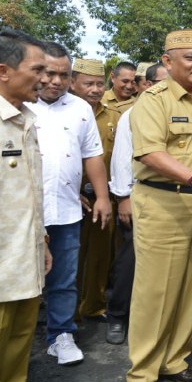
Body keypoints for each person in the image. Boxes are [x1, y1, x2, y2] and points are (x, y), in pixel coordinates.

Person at [125, 30, 192, 382]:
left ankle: (175, 360)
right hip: (164, 205)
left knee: (191, 287)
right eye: (189, 57)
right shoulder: (153, 100)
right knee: (155, 292)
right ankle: (141, 373)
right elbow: (151, 153)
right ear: (167, 62)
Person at [27, 42, 111, 366]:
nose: (56, 81)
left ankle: (61, 334)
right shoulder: (17, 103)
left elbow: (92, 154)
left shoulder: (80, 108)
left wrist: (102, 196)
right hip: (23, 211)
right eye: (49, 73)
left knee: (63, 277)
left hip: (64, 209)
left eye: (63, 75)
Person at [0, 30, 51, 382]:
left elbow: (29, 193)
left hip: (25, 262)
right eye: (37, 70)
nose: (46, 79)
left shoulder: (26, 120)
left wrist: (41, 241)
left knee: (14, 355)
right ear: (3, 71)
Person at [106, 62, 168, 345]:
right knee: (131, 260)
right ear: (148, 84)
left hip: (172, 201)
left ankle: (154, 321)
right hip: (138, 197)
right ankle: (117, 316)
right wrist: (123, 198)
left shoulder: (181, 112)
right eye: (162, 82)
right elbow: (121, 158)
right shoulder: (133, 114)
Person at [70, 59, 121, 320]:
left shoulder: (114, 116)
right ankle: (68, 310)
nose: (95, 89)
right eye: (88, 83)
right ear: (73, 84)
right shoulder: (63, 113)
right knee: (71, 256)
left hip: (104, 197)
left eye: (100, 84)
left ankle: (94, 305)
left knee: (101, 256)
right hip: (72, 197)